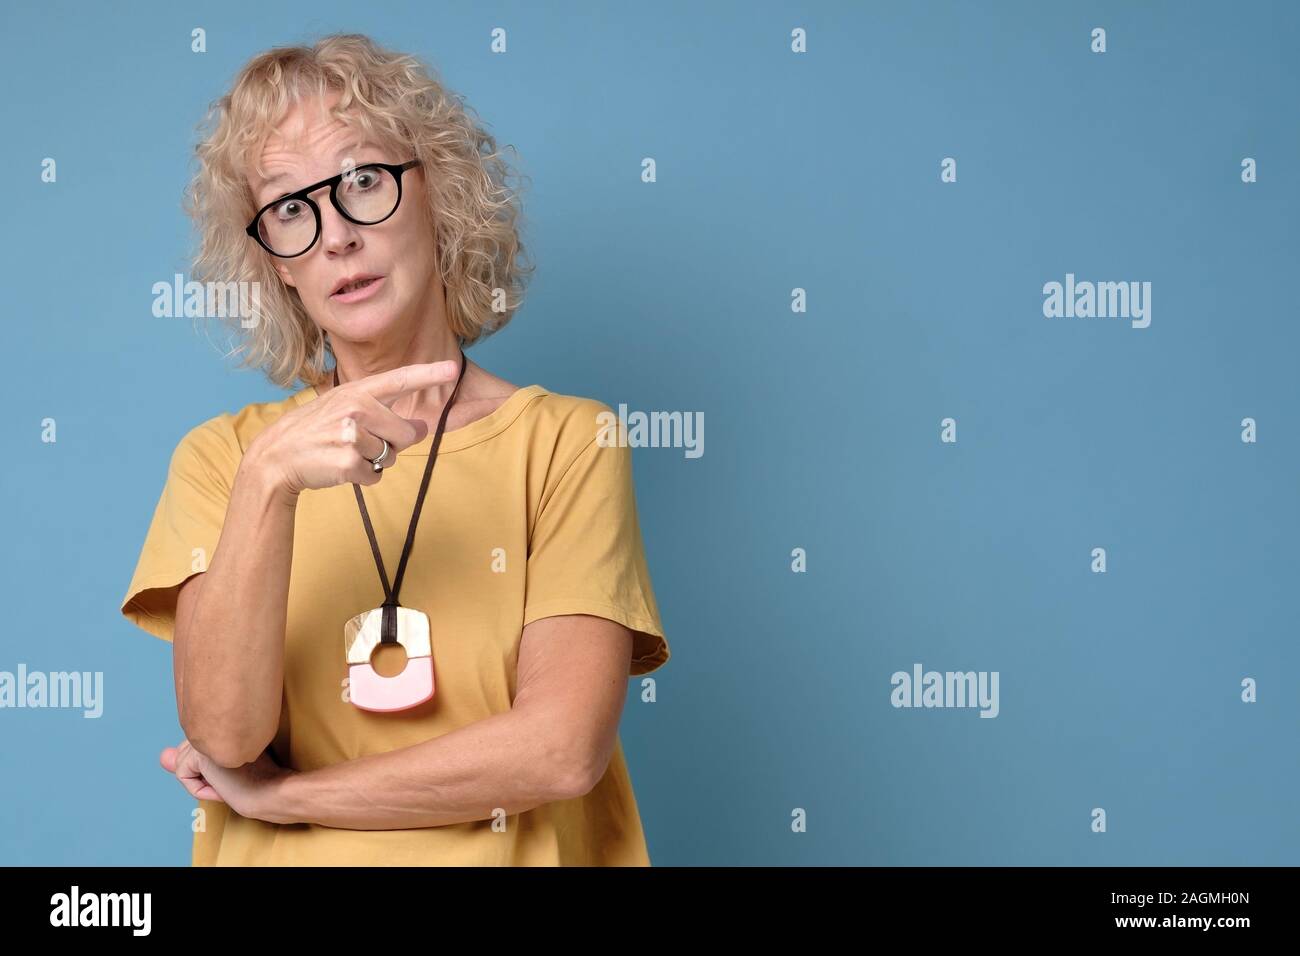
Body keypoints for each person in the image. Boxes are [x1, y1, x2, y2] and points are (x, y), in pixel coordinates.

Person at [119, 33, 670, 866]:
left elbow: (560, 751)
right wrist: (269, 481)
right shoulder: (224, 459)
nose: (335, 235)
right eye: (291, 210)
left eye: (363, 181)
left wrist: (285, 798)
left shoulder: (564, 441)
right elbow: (227, 734)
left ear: (439, 195)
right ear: (275, 267)